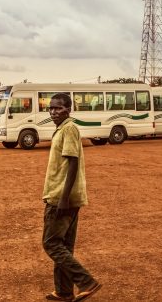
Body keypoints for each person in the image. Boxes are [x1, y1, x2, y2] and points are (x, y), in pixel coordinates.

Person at [42, 93, 101, 302]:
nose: (53, 112)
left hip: (61, 196)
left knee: (51, 244)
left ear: (68, 109)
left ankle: (86, 282)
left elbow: (73, 163)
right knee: (64, 245)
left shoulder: (68, 128)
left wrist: (63, 198)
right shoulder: (63, 129)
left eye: (58, 108)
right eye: (51, 108)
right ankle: (64, 291)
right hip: (65, 195)